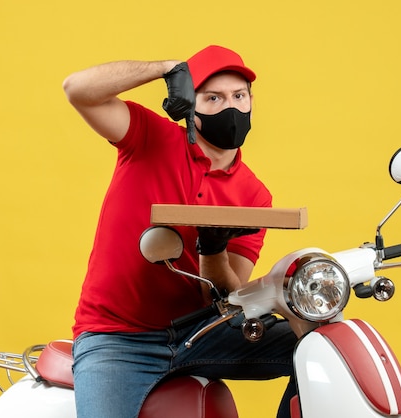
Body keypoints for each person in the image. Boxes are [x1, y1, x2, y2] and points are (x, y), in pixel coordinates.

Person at [63, 45, 298, 418]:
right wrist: (166, 68)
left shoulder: (254, 194)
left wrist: (212, 249)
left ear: (252, 101)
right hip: (117, 338)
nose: (230, 109)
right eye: (214, 98)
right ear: (191, 104)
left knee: (318, 346)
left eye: (239, 96)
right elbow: (77, 89)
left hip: (199, 335)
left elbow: (225, 296)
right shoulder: (149, 137)